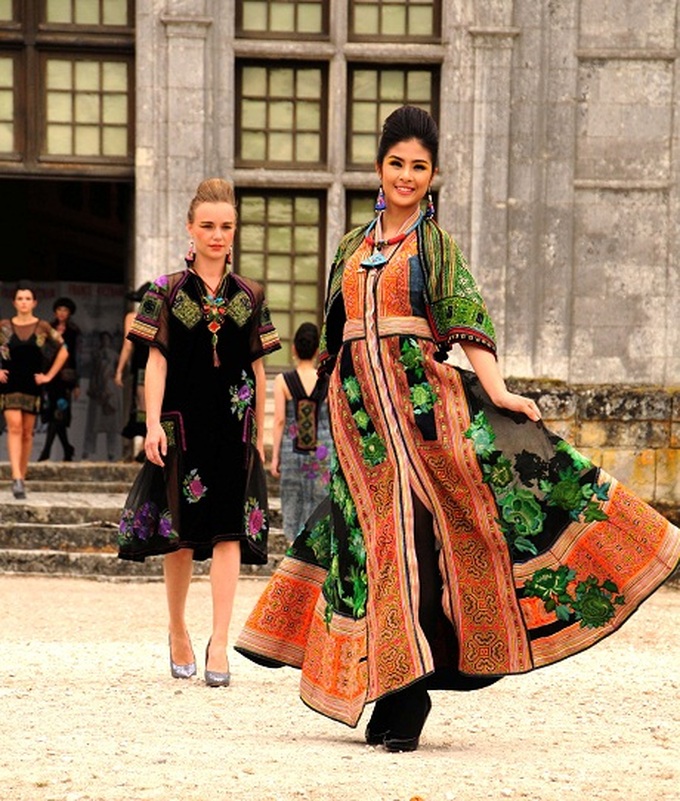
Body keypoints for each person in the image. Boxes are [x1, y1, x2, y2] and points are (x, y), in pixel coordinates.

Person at [236, 106, 680, 752]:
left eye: (420, 166)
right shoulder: (351, 249)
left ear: (433, 174)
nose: (407, 175)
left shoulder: (435, 247)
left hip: (426, 424)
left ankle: (407, 695)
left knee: (419, 549)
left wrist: (498, 391)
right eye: (397, 164)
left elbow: (468, 318)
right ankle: (392, 691)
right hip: (363, 433)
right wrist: (331, 408)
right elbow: (332, 337)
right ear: (379, 168)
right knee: (382, 551)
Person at [117, 177, 281, 687]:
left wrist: (263, 429)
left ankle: (219, 641)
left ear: (235, 231)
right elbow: (156, 364)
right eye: (207, 225)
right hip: (181, 425)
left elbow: (257, 367)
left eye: (226, 226)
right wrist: (151, 425)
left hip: (235, 427)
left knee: (229, 532)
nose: (217, 235)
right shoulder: (164, 292)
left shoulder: (251, 294)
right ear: (190, 228)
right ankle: (178, 629)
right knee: (183, 537)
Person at [0, 281, 69, 498]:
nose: (23, 302)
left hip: (32, 383)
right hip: (9, 382)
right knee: (15, 427)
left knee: (28, 432)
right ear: (14, 302)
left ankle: (22, 474)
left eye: (27, 298)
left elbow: (63, 350)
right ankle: (16, 478)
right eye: (20, 298)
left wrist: (48, 375)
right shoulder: (4, 326)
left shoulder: (42, 327)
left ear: (34, 302)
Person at [270, 322, 332, 543]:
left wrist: (275, 456)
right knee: (320, 503)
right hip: (322, 451)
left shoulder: (282, 381)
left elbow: (279, 421)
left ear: (294, 349)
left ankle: (293, 558)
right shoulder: (328, 380)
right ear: (317, 350)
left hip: (291, 452)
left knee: (292, 502)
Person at [38, 297, 81, 462]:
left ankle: (46, 451)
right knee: (54, 416)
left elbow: (76, 357)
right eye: (59, 310)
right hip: (49, 376)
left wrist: (76, 383)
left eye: (65, 310)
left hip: (65, 379)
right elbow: (42, 353)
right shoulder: (47, 328)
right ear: (55, 312)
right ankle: (68, 448)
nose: (62, 313)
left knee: (59, 413)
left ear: (69, 313)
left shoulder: (73, 331)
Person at [115, 283, 151, 462]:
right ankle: (143, 445)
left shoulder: (161, 316)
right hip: (142, 364)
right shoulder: (133, 317)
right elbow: (127, 345)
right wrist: (120, 370)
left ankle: (146, 445)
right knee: (142, 403)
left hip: (154, 364)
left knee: (146, 404)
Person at [81, 331, 121, 461]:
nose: (105, 342)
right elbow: (90, 371)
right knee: (92, 424)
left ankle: (112, 452)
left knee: (112, 426)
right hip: (97, 391)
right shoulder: (96, 355)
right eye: (102, 339)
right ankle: (87, 451)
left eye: (107, 339)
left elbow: (124, 370)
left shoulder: (116, 355)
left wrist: (114, 376)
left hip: (111, 391)